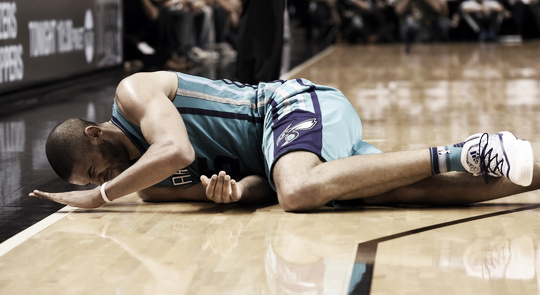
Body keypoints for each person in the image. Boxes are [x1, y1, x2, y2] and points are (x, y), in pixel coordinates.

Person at [30, 71, 539, 212]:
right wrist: (230, 195)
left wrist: (97, 197)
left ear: (95, 134)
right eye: (97, 182)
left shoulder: (133, 94)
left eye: (97, 170)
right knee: (407, 192)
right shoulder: (152, 190)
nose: (108, 180)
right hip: (290, 158)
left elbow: (177, 151)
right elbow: (260, 189)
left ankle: (461, 149)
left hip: (289, 107)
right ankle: (531, 170)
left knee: (298, 190)